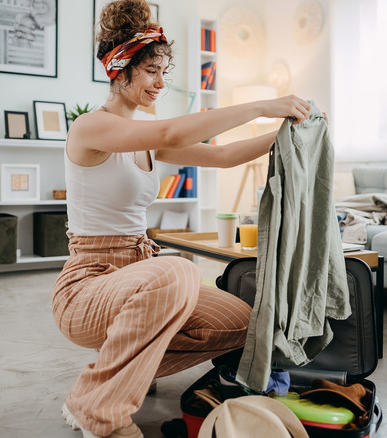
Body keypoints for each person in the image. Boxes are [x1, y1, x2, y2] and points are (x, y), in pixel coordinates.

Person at [51, 1, 311, 437]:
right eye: (151, 70)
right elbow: (172, 131)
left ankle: (93, 388)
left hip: (141, 273)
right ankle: (102, 412)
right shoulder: (90, 128)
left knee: (245, 325)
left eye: (162, 72)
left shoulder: (146, 141)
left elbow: (224, 156)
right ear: (120, 68)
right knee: (177, 270)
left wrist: (296, 131)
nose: (160, 82)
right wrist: (266, 105)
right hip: (88, 285)